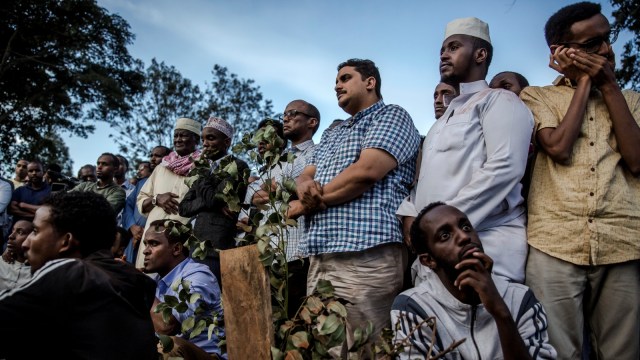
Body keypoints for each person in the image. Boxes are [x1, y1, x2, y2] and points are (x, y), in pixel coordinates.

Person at [519, 2, 640, 359]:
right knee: (559, 352)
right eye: (591, 46)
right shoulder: (538, 96)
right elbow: (557, 147)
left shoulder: (633, 100)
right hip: (554, 242)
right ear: (561, 53)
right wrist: (586, 80)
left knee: (623, 353)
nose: (606, 51)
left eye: (607, 39)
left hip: (623, 240)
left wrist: (610, 85)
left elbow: (636, 161)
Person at [290, 58, 421, 347]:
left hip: (366, 253)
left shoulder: (391, 116)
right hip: (321, 253)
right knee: (325, 347)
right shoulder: (332, 132)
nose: (337, 85)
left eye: (346, 78)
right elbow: (305, 174)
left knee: (366, 347)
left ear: (370, 82)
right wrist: (305, 188)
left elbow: (366, 172)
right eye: (336, 81)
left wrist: (310, 202)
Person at [397, 17, 533, 283]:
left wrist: (440, 226)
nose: (444, 55)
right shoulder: (441, 122)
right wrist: (412, 214)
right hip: (434, 252)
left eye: (453, 47)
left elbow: (505, 167)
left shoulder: (499, 100)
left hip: (485, 245)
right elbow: (427, 180)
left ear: (480, 54)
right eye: (442, 50)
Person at [0, 191, 158, 359]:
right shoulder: (131, 278)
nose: (25, 243)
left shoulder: (72, 274)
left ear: (66, 242)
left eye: (35, 231)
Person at [391, 203, 556, 359]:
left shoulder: (520, 299)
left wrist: (500, 311)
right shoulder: (413, 307)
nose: (463, 237)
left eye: (466, 227)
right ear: (428, 261)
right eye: (445, 235)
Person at [246, 100, 319, 316]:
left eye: (293, 113)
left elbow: (306, 189)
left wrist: (278, 189)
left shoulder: (317, 152)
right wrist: (283, 188)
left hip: (298, 252)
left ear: (312, 122)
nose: (285, 118)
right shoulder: (279, 161)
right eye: (284, 113)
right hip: (271, 252)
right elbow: (254, 196)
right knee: (271, 322)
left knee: (295, 322)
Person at [178, 116, 250, 283]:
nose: (204, 144)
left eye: (210, 138)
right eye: (203, 139)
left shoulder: (238, 166)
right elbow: (184, 208)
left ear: (227, 142)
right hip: (194, 246)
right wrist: (215, 205)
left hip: (216, 247)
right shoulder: (205, 169)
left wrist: (203, 175)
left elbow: (211, 200)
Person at [142, 219, 225, 359]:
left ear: (176, 249)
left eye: (154, 244)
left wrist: (140, 283)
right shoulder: (156, 283)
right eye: (145, 244)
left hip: (208, 357)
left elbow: (167, 327)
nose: (145, 251)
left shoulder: (198, 276)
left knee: (169, 346)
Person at [136, 118, 202, 270]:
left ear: (196, 139)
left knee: (179, 284)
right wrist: (156, 199)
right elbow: (141, 199)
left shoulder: (204, 167)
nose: (178, 140)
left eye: (183, 135)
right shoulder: (161, 167)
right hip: (152, 239)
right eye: (176, 136)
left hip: (183, 240)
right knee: (147, 283)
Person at [123, 147, 171, 264]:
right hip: (134, 237)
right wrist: (132, 226)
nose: (152, 159)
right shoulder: (142, 183)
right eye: (151, 156)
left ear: (169, 157)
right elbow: (128, 206)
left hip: (158, 237)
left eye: (158, 156)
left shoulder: (173, 179)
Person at [0, 220, 32, 290]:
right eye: (12, 231)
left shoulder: (39, 272)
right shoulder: (1, 263)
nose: (11, 236)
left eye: (20, 232)